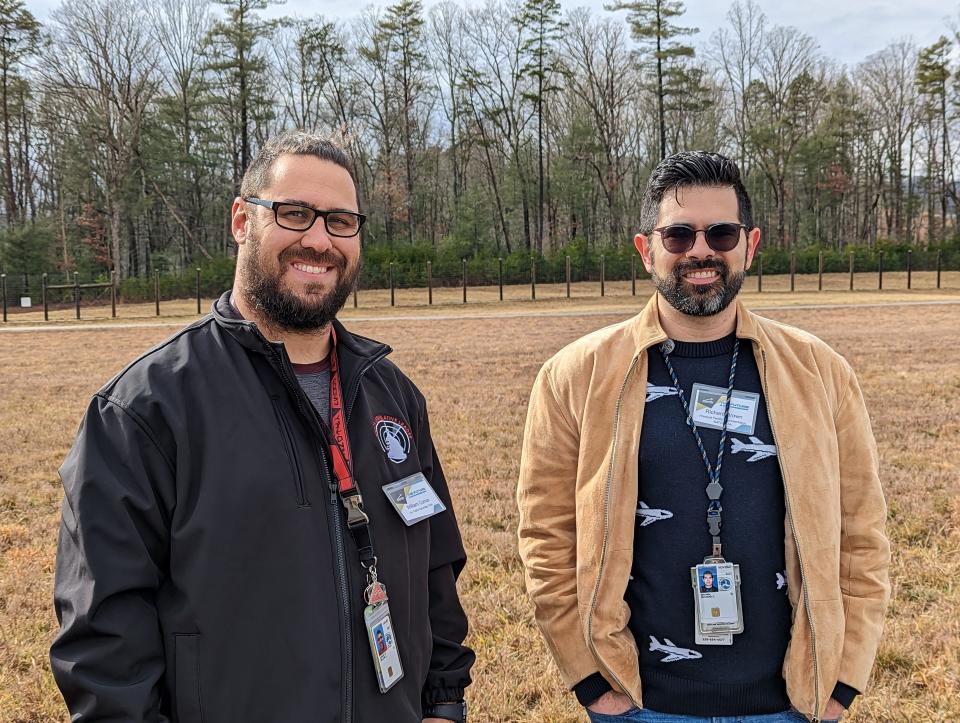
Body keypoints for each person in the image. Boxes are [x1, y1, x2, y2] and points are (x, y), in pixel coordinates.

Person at [51, 130, 474, 723]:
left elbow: (435, 571)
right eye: (295, 213)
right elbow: (104, 642)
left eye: (340, 221)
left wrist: (444, 703)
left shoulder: (394, 397)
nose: (320, 239)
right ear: (242, 221)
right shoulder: (144, 410)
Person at [517, 151, 889, 723]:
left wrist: (842, 684)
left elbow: (862, 534)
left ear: (750, 244)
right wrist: (592, 683)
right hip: (639, 703)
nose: (700, 250)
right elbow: (547, 536)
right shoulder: (573, 376)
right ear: (646, 250)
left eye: (721, 232)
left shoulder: (822, 373)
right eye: (678, 235)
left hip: (791, 703)